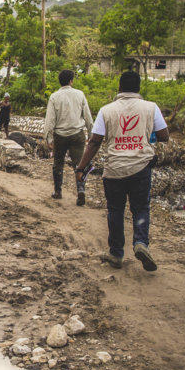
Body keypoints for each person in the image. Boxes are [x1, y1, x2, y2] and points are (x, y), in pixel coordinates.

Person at [74, 69, 170, 271]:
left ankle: (116, 253)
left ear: (119, 88)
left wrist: (81, 167)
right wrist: (146, 134)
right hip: (141, 167)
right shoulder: (150, 108)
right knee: (141, 207)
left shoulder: (106, 110)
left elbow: (94, 142)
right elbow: (164, 135)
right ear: (138, 88)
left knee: (116, 209)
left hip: (115, 169)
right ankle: (141, 243)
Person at [43, 69, 94, 205]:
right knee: (79, 164)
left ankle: (58, 191)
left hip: (60, 135)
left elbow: (50, 120)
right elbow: (88, 116)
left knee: (58, 164)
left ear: (60, 82)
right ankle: (81, 190)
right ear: (71, 81)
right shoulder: (80, 94)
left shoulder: (54, 97)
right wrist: (91, 132)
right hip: (77, 134)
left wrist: (48, 138)